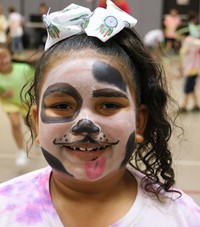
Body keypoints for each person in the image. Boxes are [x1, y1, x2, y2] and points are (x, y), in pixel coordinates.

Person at [0, 1, 200, 226]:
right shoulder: (5, 210)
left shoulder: (181, 218)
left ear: (140, 122)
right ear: (36, 123)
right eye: (62, 106)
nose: (85, 125)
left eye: (109, 105)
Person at [0, 45, 34, 166]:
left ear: (10, 56)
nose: (2, 60)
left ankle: (38, 139)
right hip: (10, 103)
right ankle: (21, 151)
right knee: (15, 123)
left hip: (27, 101)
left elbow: (37, 81)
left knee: (33, 123)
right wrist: (3, 95)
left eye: (4, 56)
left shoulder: (24, 68)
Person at [179, 32, 200, 113]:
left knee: (187, 88)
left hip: (192, 69)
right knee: (191, 87)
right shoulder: (191, 41)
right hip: (191, 69)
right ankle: (196, 105)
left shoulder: (189, 41)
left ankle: (184, 105)